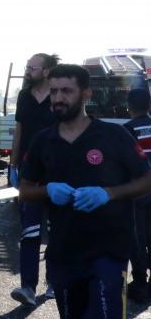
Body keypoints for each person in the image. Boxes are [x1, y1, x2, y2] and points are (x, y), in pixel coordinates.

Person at [19, 64, 151, 318]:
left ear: (86, 95)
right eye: (54, 91)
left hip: (108, 252)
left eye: (66, 91)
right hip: (63, 253)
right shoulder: (43, 141)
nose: (58, 98)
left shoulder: (114, 135)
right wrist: (48, 190)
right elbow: (25, 191)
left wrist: (109, 193)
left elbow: (147, 180)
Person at [10, 53, 60, 306]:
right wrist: (12, 164)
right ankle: (27, 286)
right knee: (29, 230)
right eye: (27, 66)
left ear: (48, 70)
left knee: (55, 230)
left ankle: (54, 281)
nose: (28, 70)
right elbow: (19, 130)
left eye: (32, 67)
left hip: (57, 172)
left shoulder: (59, 95)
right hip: (29, 173)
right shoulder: (23, 96)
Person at [124, 88, 151, 301]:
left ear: (129, 106)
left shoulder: (126, 130)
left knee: (137, 238)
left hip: (138, 192)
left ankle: (140, 282)